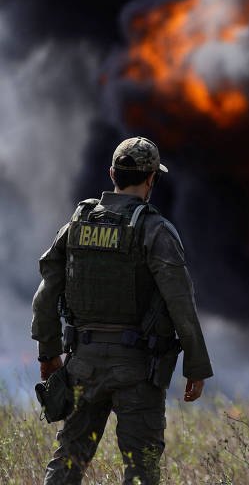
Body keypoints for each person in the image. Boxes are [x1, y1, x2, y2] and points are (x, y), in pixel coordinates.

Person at [31, 137, 213, 484]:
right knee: (141, 469)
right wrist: (196, 366)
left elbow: (46, 292)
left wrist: (48, 353)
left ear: (112, 173)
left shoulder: (77, 224)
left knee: (68, 460)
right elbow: (181, 303)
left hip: (82, 363)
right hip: (137, 370)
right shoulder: (155, 231)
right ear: (151, 179)